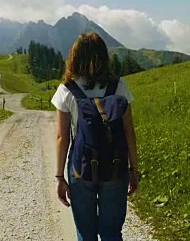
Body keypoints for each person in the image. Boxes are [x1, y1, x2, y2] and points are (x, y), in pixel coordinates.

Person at [51, 32, 140, 241]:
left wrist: (59, 178)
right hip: (115, 166)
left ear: (74, 56)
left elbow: (61, 137)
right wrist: (134, 170)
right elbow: (129, 132)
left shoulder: (66, 90)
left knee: (85, 232)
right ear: (104, 56)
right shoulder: (119, 87)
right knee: (111, 232)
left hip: (80, 168)